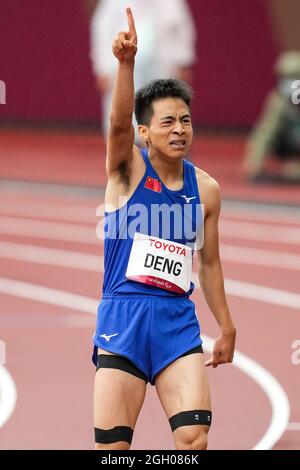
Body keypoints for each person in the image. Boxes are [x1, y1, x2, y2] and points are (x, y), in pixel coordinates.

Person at [93, 8, 236, 450]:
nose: (179, 130)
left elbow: (208, 262)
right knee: (113, 449)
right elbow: (116, 125)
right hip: (124, 320)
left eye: (186, 120)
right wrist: (125, 64)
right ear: (145, 132)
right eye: (167, 122)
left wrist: (226, 326)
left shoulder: (206, 189)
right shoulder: (126, 172)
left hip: (177, 324)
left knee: (194, 439)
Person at [90, 0, 196, 136]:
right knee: (122, 122)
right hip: (123, 68)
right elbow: (101, 31)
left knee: (166, 116)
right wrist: (102, 67)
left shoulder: (171, 3)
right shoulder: (112, 3)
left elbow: (183, 29)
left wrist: (184, 61)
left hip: (163, 68)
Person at [243, 51, 300, 183]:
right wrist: (253, 164)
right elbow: (265, 133)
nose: (289, 82)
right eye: (285, 77)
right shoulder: (278, 101)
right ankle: (291, 163)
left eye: (294, 77)